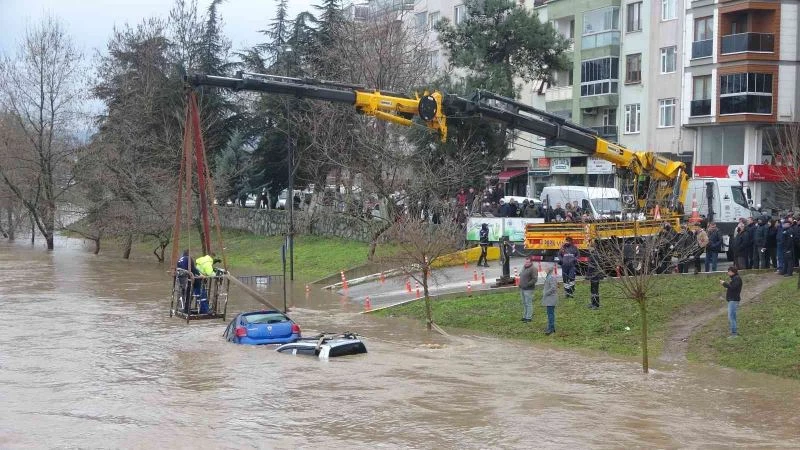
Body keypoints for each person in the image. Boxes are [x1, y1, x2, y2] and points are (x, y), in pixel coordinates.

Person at [720, 266, 742, 337]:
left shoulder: (737, 278)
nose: (727, 273)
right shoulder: (735, 278)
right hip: (732, 300)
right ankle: (734, 332)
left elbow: (732, 287)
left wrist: (724, 283)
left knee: (731, 317)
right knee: (733, 317)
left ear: (732, 272)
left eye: (728, 271)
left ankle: (734, 334)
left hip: (733, 300)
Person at [518, 257, 538, 323]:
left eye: (528, 262)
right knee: (524, 303)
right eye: (525, 262)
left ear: (531, 262)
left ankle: (529, 318)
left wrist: (527, 284)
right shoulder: (524, 267)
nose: (526, 263)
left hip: (528, 289)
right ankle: (524, 316)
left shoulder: (533, 269)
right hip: (522, 288)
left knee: (528, 303)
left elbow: (535, 279)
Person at [541, 264, 558, 335]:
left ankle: (551, 329)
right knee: (549, 313)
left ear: (548, 269)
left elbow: (553, 288)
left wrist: (546, 293)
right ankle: (551, 327)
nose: (544, 269)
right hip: (549, 299)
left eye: (545, 268)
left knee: (550, 314)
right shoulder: (548, 276)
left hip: (551, 298)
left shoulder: (551, 277)